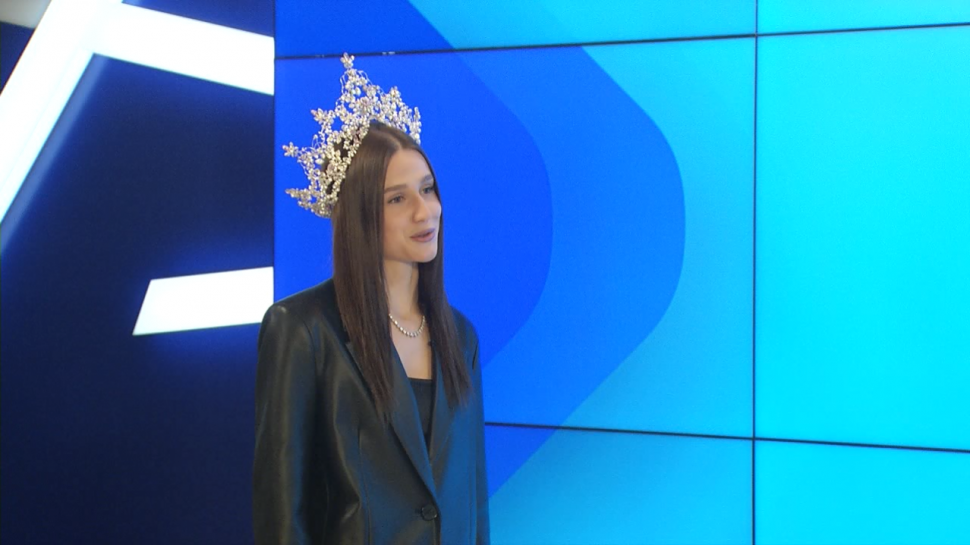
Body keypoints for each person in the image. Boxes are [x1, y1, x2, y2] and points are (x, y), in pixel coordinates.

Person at [253, 55, 489, 544]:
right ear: (359, 215)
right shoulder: (302, 329)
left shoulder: (460, 336)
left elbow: (472, 502)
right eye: (398, 199)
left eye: (428, 190)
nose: (425, 212)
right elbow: (281, 514)